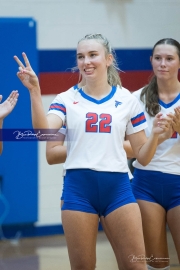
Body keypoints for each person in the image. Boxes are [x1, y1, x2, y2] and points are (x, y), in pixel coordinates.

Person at [14, 33, 171, 270]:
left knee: (136, 267)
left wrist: (156, 136)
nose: (86, 61)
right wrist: (35, 91)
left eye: (92, 55)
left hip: (119, 190)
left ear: (108, 59)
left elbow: (143, 157)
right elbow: (42, 133)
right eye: (80, 56)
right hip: (79, 190)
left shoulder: (127, 100)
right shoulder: (66, 98)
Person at [131, 38, 180, 270]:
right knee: (156, 263)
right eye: (158, 58)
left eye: (169, 58)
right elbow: (126, 145)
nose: (163, 64)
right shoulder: (135, 99)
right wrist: (154, 138)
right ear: (151, 60)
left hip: (178, 181)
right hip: (146, 183)